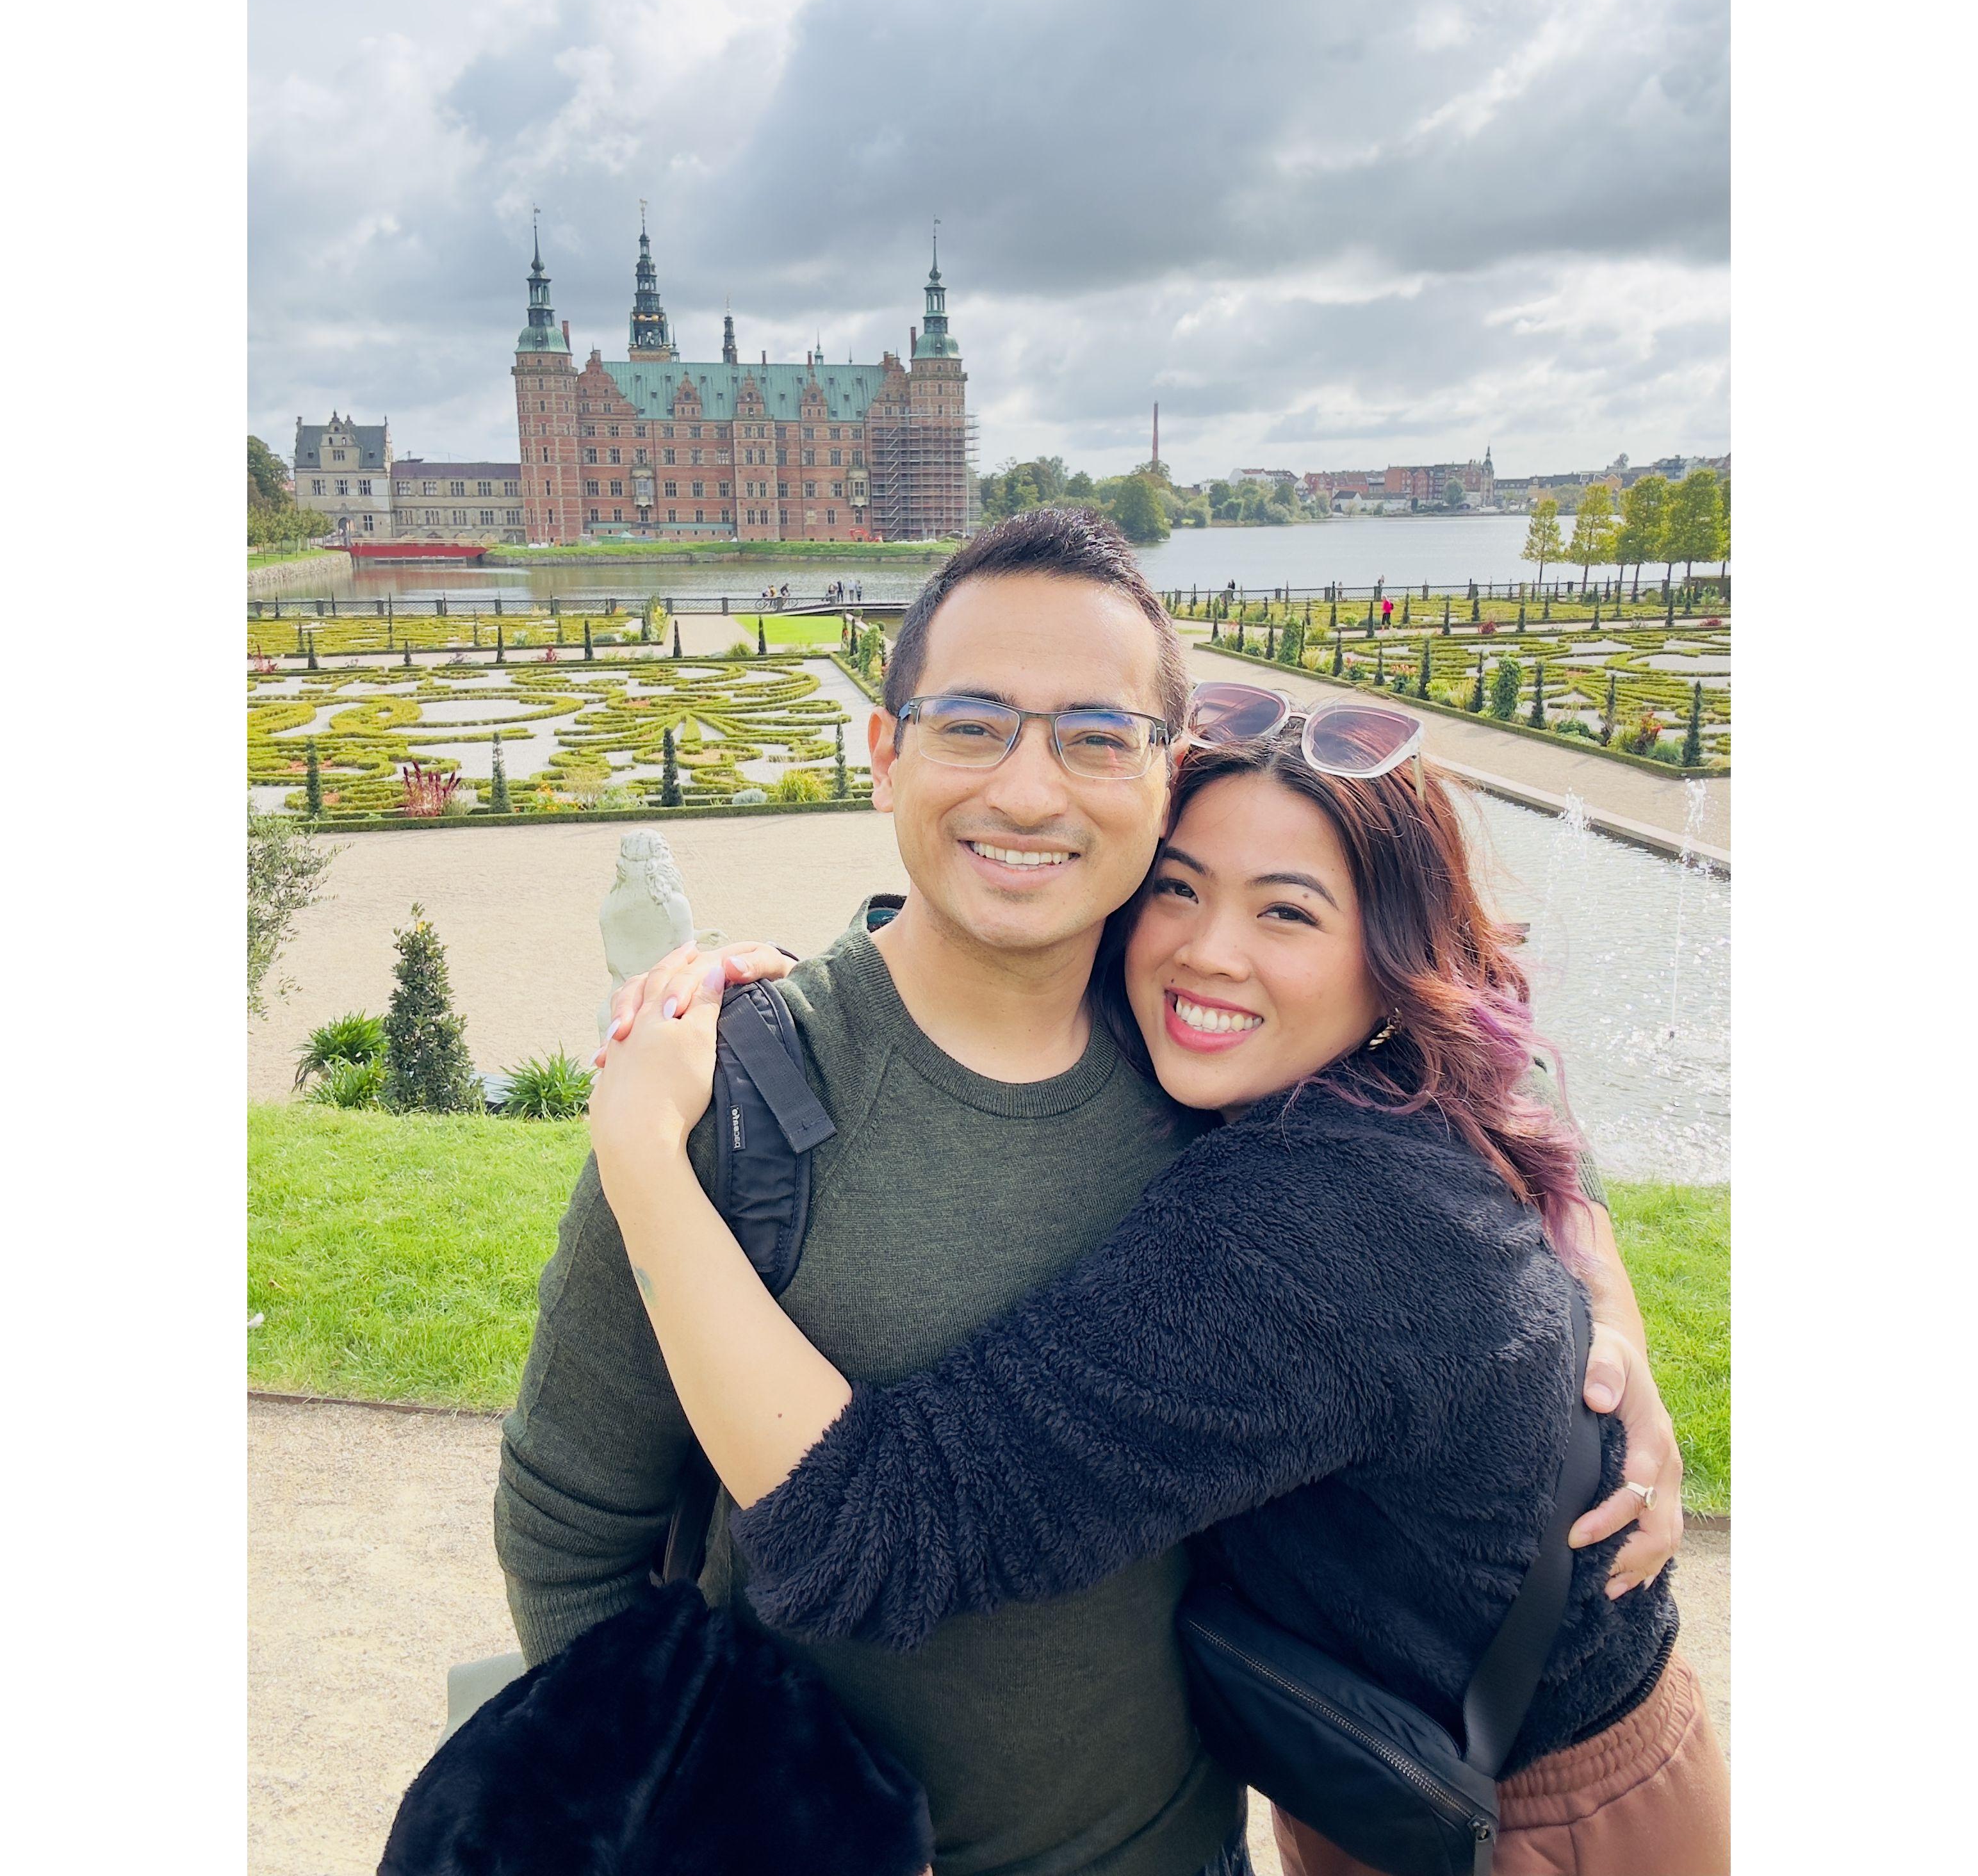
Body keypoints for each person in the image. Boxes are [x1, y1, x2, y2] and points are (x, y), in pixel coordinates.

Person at [500, 510, 1685, 1876]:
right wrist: (695, 1824)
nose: (1026, 792)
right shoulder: (724, 1094)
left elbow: (1473, 1060)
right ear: (883, 753)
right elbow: (567, 1528)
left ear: (1162, 776)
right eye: (970, 725)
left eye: (1094, 736)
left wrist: (1602, 1302)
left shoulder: (1196, 1036)